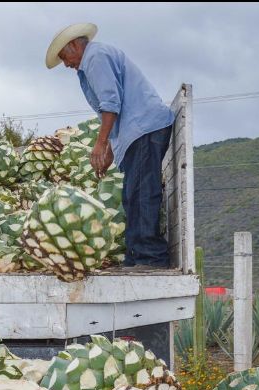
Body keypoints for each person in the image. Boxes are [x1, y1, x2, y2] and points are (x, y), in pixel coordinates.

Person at [46, 23, 174, 268]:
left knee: (142, 194)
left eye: (65, 57)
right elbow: (115, 106)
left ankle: (151, 258)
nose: (66, 64)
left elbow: (110, 103)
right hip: (137, 131)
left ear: (74, 45)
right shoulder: (93, 59)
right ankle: (136, 256)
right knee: (132, 195)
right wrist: (111, 148)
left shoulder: (95, 57)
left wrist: (100, 144)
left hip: (145, 128)